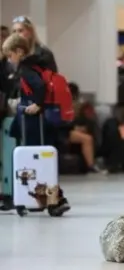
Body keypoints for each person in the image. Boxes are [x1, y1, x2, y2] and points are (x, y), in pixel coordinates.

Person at [2, 33, 70, 215]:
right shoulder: (36, 64)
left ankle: (55, 200)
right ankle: (48, 199)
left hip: (34, 122)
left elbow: (40, 86)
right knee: (40, 160)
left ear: (19, 51)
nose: (10, 59)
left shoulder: (26, 68)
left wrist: (37, 105)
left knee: (36, 160)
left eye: (10, 55)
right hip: (38, 121)